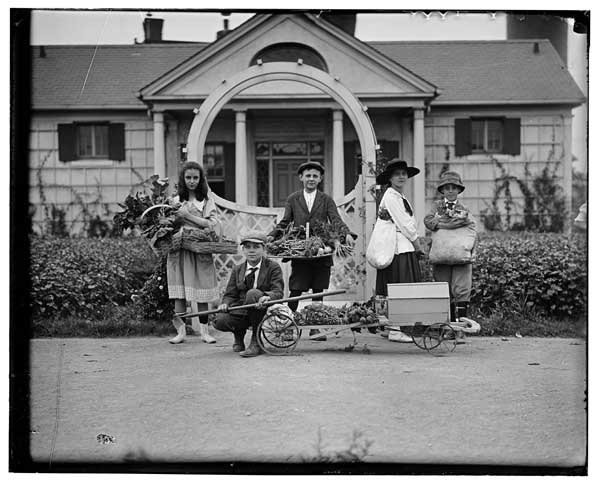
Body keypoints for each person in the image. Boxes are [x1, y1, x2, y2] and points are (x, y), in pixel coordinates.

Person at [267, 161, 355, 341]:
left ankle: (316, 328)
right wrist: (272, 236)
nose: (311, 179)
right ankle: (288, 326)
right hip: (301, 250)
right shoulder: (293, 199)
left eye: (315, 176)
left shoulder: (326, 199)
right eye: (308, 175)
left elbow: (335, 219)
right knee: (296, 288)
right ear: (301, 178)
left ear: (320, 178)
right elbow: (285, 221)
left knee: (318, 289)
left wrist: (346, 234)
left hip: (322, 248)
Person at [166, 161, 220, 344]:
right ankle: (181, 332)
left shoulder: (205, 201)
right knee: (180, 292)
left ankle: (205, 331)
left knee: (201, 290)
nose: (191, 181)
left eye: (195, 177)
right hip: (180, 251)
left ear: (200, 179)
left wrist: (188, 216)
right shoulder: (175, 201)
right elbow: (168, 225)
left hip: (199, 250)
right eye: (188, 177)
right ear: (183, 179)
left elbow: (211, 224)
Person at [423, 171, 477, 342]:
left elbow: (472, 229)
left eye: (454, 187)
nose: (451, 191)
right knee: (444, 290)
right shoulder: (435, 207)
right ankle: (448, 329)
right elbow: (428, 221)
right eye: (447, 188)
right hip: (441, 255)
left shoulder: (465, 210)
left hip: (460, 255)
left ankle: (460, 330)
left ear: (459, 190)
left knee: (461, 291)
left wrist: (444, 224)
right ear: (442, 190)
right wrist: (447, 223)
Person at [213, 231, 284, 357]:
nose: (251, 251)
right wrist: (225, 304)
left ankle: (256, 341)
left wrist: (268, 297)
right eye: (247, 247)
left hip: (263, 309)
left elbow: (278, 292)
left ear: (264, 249)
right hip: (242, 309)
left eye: (256, 247)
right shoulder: (238, 269)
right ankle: (239, 336)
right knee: (220, 320)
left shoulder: (273, 267)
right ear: (243, 250)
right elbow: (230, 294)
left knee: (253, 293)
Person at [374, 159, 423, 343]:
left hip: (399, 247)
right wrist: (418, 245)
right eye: (397, 174)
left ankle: (390, 326)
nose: (401, 177)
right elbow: (406, 225)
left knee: (392, 286)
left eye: (404, 173)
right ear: (390, 178)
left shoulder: (399, 196)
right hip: (397, 249)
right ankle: (396, 329)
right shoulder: (392, 196)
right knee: (399, 287)